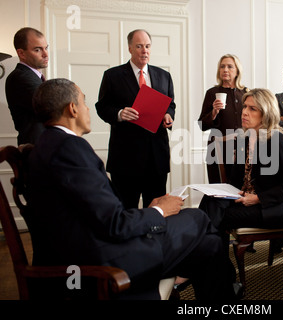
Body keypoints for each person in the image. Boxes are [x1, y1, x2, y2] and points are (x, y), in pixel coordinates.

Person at [26, 78, 238, 300]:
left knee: (209, 244)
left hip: (89, 245)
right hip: (105, 260)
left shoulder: (47, 144)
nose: (87, 109)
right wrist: (159, 212)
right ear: (72, 109)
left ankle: (216, 287)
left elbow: (95, 212)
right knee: (197, 217)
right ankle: (219, 287)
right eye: (84, 102)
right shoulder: (69, 148)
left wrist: (150, 209)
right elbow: (114, 224)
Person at [199, 88, 283, 274]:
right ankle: (217, 269)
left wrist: (257, 198)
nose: (245, 112)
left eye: (253, 109)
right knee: (209, 201)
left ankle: (216, 270)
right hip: (244, 200)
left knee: (214, 218)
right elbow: (236, 180)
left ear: (266, 113)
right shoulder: (245, 139)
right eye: (245, 107)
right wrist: (226, 193)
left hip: (272, 207)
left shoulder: (277, 139)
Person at [95, 29, 175, 209]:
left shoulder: (164, 76)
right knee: (125, 208)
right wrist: (119, 114)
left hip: (157, 157)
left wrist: (168, 115)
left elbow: (171, 104)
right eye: (139, 46)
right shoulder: (112, 75)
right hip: (126, 158)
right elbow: (102, 107)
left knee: (156, 209)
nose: (144, 51)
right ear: (130, 48)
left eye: (147, 46)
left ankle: (153, 239)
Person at [198, 54, 249, 183]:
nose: (225, 70)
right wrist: (214, 112)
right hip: (218, 149)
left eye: (230, 67)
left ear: (237, 71)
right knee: (219, 188)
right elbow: (202, 125)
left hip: (242, 148)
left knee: (240, 187)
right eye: (222, 67)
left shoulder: (246, 93)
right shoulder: (212, 93)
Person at [5, 27, 48, 145]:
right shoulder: (21, 77)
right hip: (36, 148)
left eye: (46, 48)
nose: (45, 54)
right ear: (21, 53)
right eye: (38, 50)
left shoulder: (32, 76)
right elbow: (52, 107)